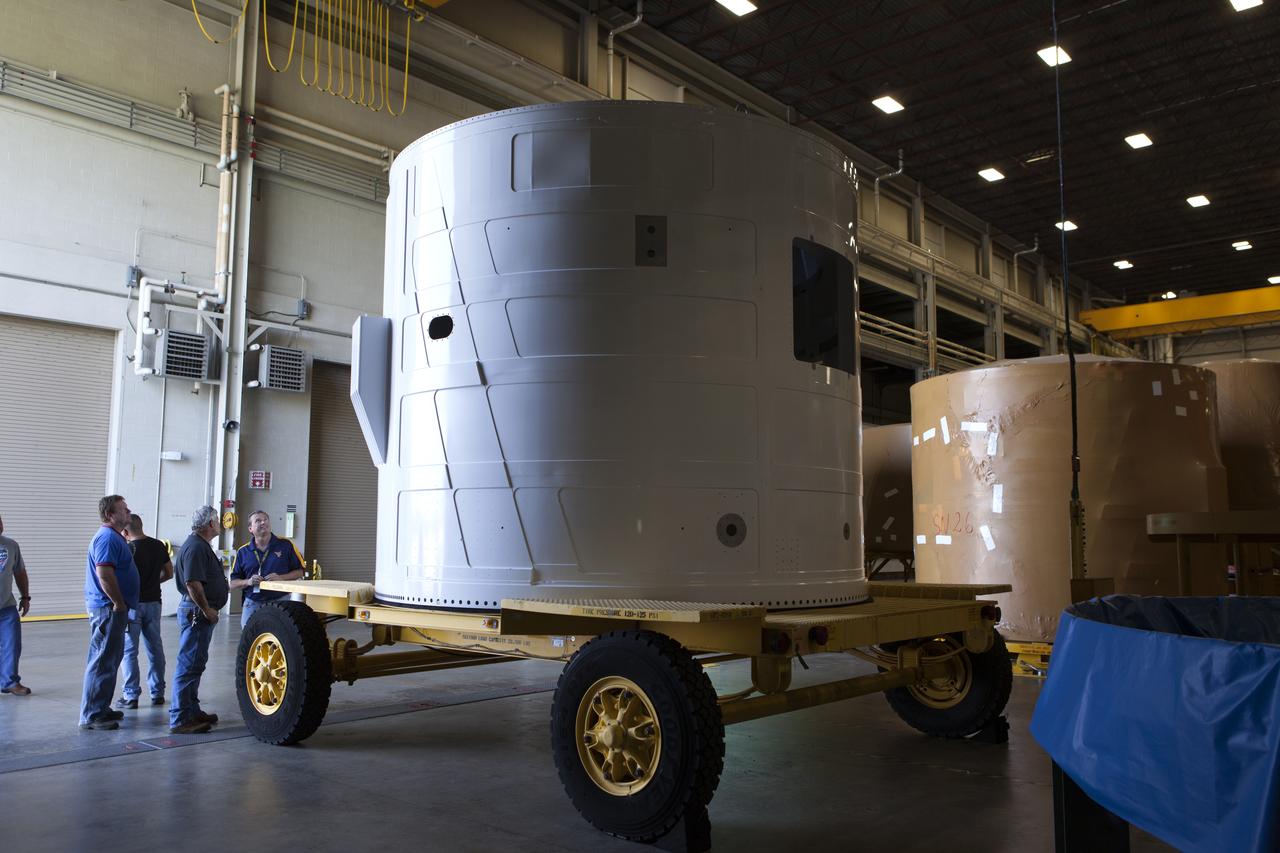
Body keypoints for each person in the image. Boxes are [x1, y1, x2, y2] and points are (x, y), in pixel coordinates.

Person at [80, 495, 140, 731]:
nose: (128, 512)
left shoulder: (114, 537)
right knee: (102, 660)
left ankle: (101, 707)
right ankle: (92, 715)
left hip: (112, 608)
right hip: (108, 608)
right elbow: (104, 574)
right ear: (109, 515)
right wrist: (118, 603)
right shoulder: (106, 538)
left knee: (110, 659)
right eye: (123, 510)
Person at [170, 505, 228, 735]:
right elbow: (192, 583)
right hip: (197, 612)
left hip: (199, 612)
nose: (220, 525)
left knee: (195, 664)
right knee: (189, 665)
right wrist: (206, 609)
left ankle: (192, 710)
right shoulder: (195, 547)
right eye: (217, 520)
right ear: (210, 524)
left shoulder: (199, 545)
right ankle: (181, 718)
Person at [118, 514, 172, 708]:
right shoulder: (158, 546)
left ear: (125, 531)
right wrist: (152, 582)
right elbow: (169, 573)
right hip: (154, 603)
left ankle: (131, 695)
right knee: (155, 648)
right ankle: (157, 693)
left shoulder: (127, 548)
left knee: (129, 650)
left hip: (132, 605)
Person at [230, 510, 305, 628]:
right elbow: (233, 583)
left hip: (281, 600)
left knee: (281, 635)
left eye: (265, 519)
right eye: (258, 520)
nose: (263, 522)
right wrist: (248, 581)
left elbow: (300, 571)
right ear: (250, 529)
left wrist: (281, 578)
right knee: (250, 636)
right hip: (253, 602)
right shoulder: (242, 552)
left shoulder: (286, 545)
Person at [0, 515, 32, 697]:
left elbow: (19, 572)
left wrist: (25, 597)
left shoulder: (11, 545)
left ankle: (10, 682)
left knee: (12, 645)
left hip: (6, 606)